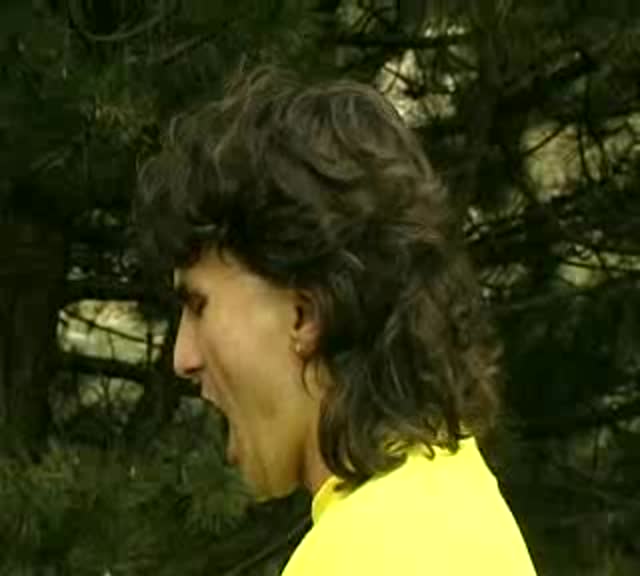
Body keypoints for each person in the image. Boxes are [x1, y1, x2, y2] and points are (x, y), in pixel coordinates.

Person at [135, 65, 538, 575]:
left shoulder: (365, 554)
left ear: (305, 314)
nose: (182, 358)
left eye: (199, 306)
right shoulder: (453, 500)